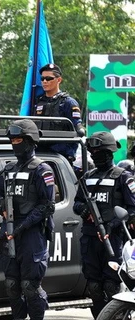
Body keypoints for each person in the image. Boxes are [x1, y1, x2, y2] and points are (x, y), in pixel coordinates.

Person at [0, 119, 55, 320]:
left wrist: (21, 227)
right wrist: (1, 205)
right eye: (13, 140)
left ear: (30, 140)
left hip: (31, 235)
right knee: (12, 285)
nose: (15, 144)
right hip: (9, 231)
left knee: (30, 286)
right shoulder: (8, 170)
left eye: (19, 139)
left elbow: (47, 206)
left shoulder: (42, 170)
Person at [73, 131, 135, 319]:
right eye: (93, 153)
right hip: (90, 237)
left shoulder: (123, 177)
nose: (95, 156)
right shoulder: (87, 177)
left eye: (99, 152)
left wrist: (112, 225)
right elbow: (77, 203)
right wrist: (83, 210)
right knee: (93, 286)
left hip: (114, 237)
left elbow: (132, 210)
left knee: (111, 284)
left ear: (109, 153)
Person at [31, 63, 85, 164]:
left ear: (59, 80)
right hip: (39, 156)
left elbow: (78, 128)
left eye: (49, 78)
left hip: (60, 158)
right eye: (42, 79)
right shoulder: (38, 102)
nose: (45, 81)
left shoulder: (68, 103)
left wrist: (80, 130)